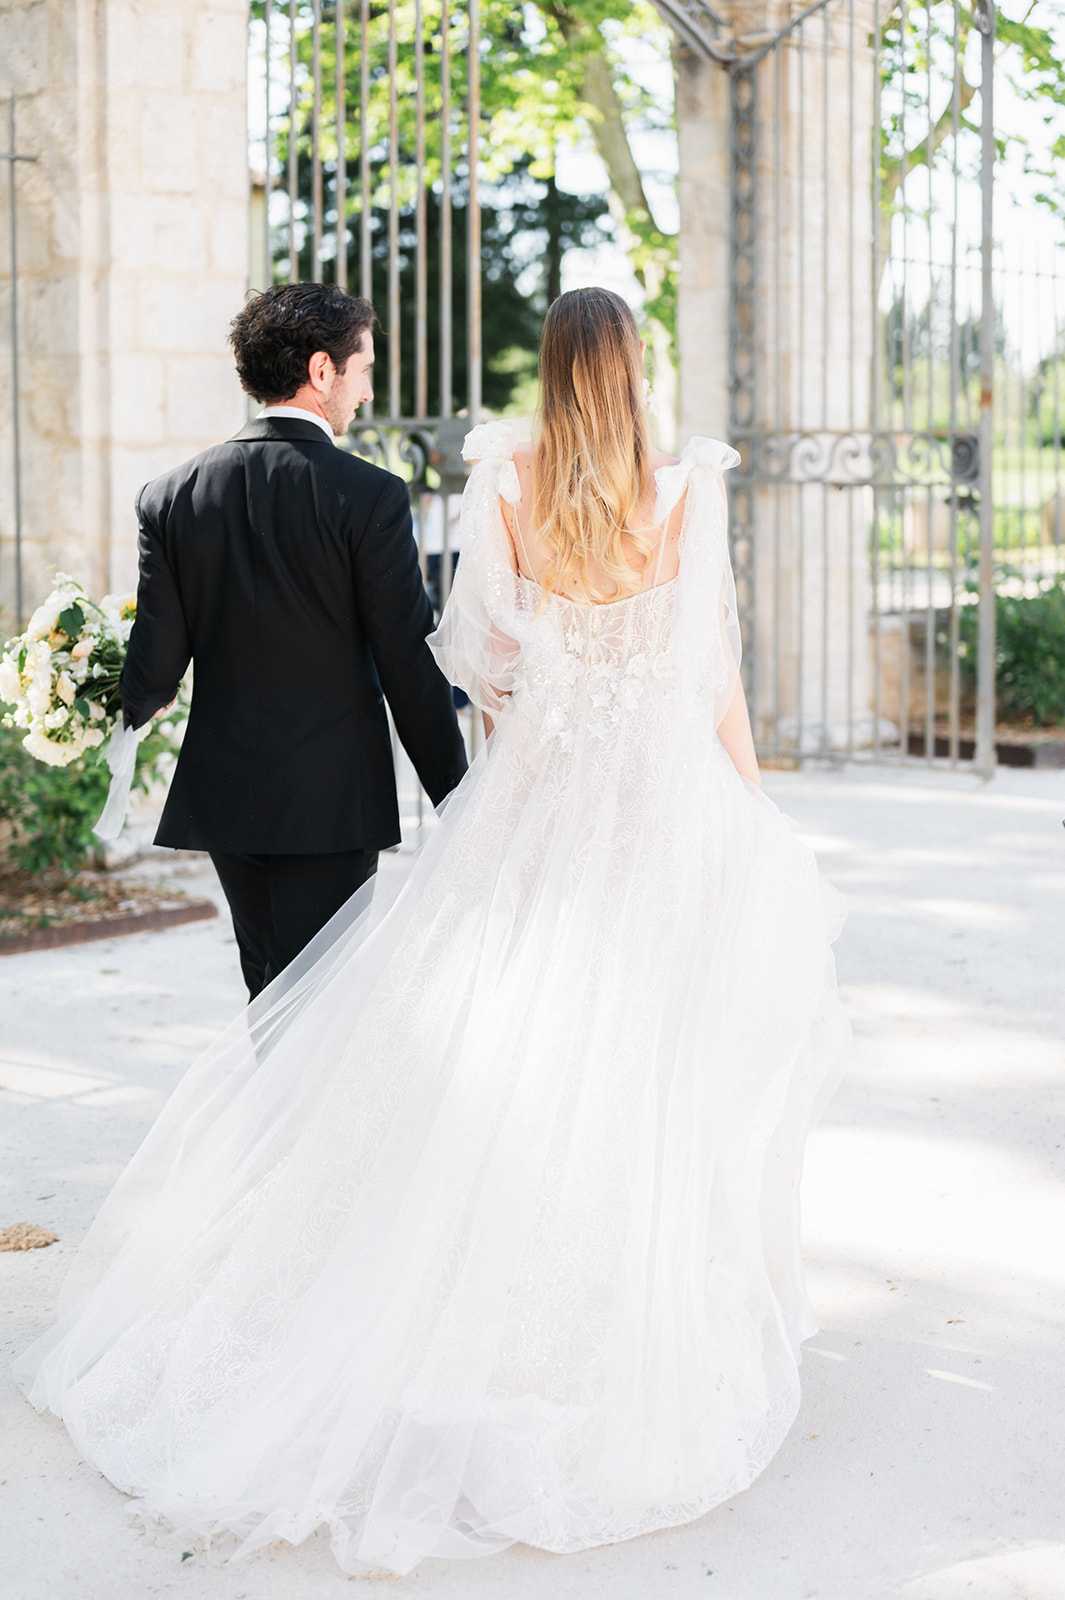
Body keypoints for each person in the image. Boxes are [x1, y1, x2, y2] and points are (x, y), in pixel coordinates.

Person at [12, 286, 852, 1581]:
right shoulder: (674, 492)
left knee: (421, 1035)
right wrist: (734, 805)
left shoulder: (471, 482)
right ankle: (609, 1302)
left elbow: (462, 656)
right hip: (648, 808)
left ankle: (369, 1258)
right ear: (633, 372)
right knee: (634, 1059)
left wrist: (512, 774)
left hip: (479, 802)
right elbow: (690, 675)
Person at [119, 282, 468, 1000]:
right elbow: (407, 660)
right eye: (363, 370)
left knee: (268, 990)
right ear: (320, 371)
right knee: (322, 1006)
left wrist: (92, 688)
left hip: (226, 800)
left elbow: (153, 671)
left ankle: (264, 1112)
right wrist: (458, 798)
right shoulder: (370, 495)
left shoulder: (170, 495)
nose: (365, 393)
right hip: (332, 803)